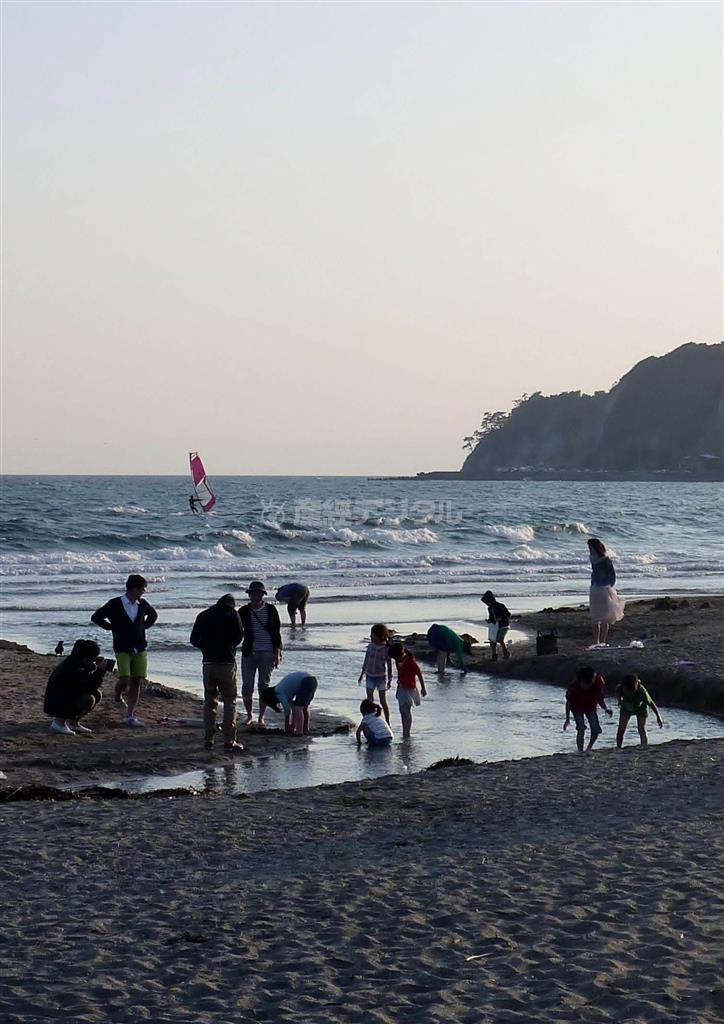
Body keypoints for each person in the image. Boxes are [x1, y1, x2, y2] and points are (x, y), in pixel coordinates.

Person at [91, 574, 157, 727]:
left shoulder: (142, 604)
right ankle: (117, 695)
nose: (144, 591)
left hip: (140, 647)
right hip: (122, 646)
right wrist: (110, 627)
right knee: (125, 677)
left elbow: (153, 615)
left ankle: (130, 714)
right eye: (143, 589)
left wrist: (144, 626)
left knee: (137, 680)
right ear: (134, 589)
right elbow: (96, 617)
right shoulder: (115, 604)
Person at [190, 594, 244, 753]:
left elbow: (193, 639)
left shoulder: (204, 615)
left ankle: (209, 738)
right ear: (231, 604)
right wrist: (229, 646)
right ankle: (229, 740)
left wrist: (205, 647)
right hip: (226, 662)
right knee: (229, 701)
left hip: (208, 663)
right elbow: (239, 635)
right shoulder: (232, 614)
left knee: (210, 701)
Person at [240, 581, 282, 727]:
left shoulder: (271, 609)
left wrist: (277, 653)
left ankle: (261, 717)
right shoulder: (244, 611)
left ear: (263, 594)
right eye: (253, 593)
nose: (256, 595)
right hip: (249, 652)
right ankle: (249, 715)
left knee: (263, 685)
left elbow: (276, 632)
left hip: (267, 652)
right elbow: (236, 630)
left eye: (259, 593)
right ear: (249, 594)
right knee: (247, 685)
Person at [43, 639, 108, 735]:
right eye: (92, 658)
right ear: (85, 657)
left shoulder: (76, 663)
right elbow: (89, 687)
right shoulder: (73, 669)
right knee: (89, 699)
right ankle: (59, 722)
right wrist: (100, 671)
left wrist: (92, 667)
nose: (93, 660)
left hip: (64, 697)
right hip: (57, 702)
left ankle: (74, 722)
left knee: (97, 694)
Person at [564, 665, 613, 752]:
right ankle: (580, 750)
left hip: (590, 706)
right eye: (583, 684)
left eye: (588, 685)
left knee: (596, 729)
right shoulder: (574, 686)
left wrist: (605, 709)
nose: (585, 687)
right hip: (576, 707)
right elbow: (568, 703)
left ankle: (589, 748)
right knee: (581, 728)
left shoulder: (598, 683)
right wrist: (567, 719)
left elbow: (599, 698)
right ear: (580, 681)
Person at [588, 537, 625, 646]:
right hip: (595, 588)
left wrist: (608, 585)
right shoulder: (592, 558)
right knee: (595, 617)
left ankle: (603, 641)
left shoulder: (605, 560)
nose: (589, 550)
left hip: (603, 589)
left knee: (605, 617)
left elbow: (612, 575)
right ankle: (596, 641)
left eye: (590, 548)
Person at [389, 642, 426, 739]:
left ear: (400, 654)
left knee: (406, 710)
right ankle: (404, 730)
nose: (395, 660)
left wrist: (423, 688)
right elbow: (400, 674)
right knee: (402, 710)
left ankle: (407, 732)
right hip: (401, 688)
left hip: (409, 689)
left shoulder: (410, 662)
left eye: (396, 658)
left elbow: (419, 674)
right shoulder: (398, 661)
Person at [615, 674, 664, 748]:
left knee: (641, 728)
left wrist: (658, 716)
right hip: (626, 707)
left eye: (632, 691)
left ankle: (644, 746)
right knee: (621, 729)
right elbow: (618, 694)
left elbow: (651, 703)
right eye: (627, 691)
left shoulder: (642, 691)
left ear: (636, 688)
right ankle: (619, 747)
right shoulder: (620, 688)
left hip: (641, 707)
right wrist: (619, 700)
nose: (629, 693)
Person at [358, 624, 392, 724]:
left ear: (379, 636)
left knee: (383, 701)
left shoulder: (385, 648)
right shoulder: (370, 647)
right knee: (370, 700)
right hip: (370, 676)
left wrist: (390, 679)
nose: (370, 636)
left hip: (381, 677)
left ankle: (387, 722)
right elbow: (366, 660)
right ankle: (371, 720)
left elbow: (389, 664)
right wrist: (362, 674)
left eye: (372, 635)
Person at [481, 591, 511, 661]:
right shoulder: (489, 608)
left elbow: (508, 614)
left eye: (487, 602)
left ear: (490, 600)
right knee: (492, 640)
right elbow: (492, 618)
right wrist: (489, 621)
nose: (486, 604)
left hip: (503, 625)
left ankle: (506, 653)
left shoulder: (500, 606)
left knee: (500, 639)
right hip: (495, 626)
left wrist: (501, 618)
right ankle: (494, 655)